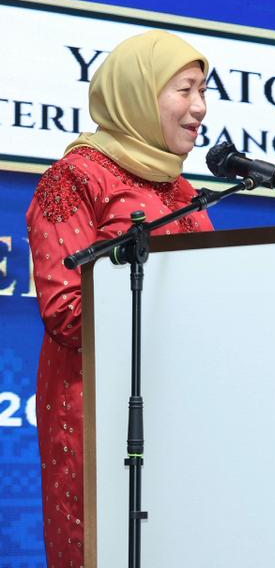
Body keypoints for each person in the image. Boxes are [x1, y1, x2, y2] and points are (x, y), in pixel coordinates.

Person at [25, 29, 215, 567]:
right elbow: (67, 314)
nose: (200, 107)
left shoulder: (181, 191)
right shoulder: (74, 178)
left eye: (203, 91)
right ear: (137, 93)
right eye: (184, 90)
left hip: (182, 407)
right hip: (100, 412)